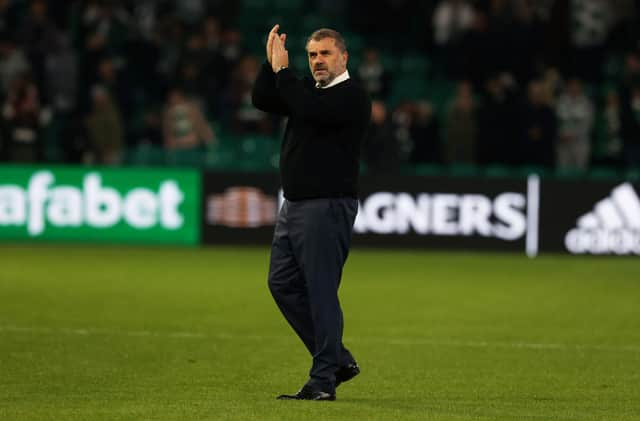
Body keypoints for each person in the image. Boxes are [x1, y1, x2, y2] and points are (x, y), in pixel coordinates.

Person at [251, 24, 371, 401]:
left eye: (325, 53)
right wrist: (270, 63)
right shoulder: (308, 92)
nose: (318, 61)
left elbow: (307, 108)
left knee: (320, 291)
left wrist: (286, 73)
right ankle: (336, 359)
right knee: (283, 283)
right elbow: (261, 99)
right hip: (295, 206)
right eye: (312, 55)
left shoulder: (351, 96)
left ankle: (322, 381)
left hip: (326, 206)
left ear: (344, 57)